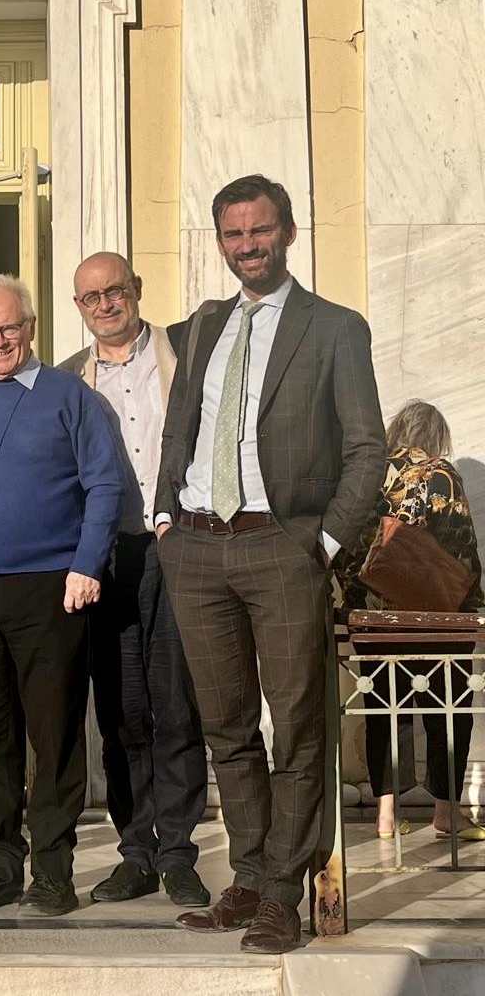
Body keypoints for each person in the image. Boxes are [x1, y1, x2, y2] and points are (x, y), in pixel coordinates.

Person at [155, 173, 386, 953]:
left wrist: (320, 543)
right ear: (218, 241)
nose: (246, 247)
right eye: (232, 235)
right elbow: (179, 428)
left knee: (296, 727)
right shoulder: (202, 326)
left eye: (259, 231)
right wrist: (163, 516)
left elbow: (366, 448)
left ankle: (284, 891)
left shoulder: (333, 328)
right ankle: (248, 877)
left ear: (288, 232)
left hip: (281, 547)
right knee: (225, 726)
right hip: (194, 546)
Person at [0, 274, 123, 917]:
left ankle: (54, 872)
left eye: (9, 327)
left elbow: (103, 486)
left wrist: (86, 563)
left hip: (53, 588)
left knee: (56, 733)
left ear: (31, 327)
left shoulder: (71, 396)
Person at [58, 252, 209, 909]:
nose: (105, 305)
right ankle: (136, 852)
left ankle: (178, 854)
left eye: (115, 291)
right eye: (91, 298)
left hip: (178, 550)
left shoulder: (185, 357)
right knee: (122, 714)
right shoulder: (67, 381)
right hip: (108, 561)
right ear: (79, 308)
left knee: (178, 706)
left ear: (137, 290)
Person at [336, 400, 485, 840]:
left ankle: (385, 815)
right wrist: (471, 602)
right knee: (449, 709)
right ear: (435, 437)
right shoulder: (440, 473)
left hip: (374, 618)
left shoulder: (366, 475)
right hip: (435, 617)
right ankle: (445, 810)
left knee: (385, 708)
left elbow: (347, 547)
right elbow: (461, 548)